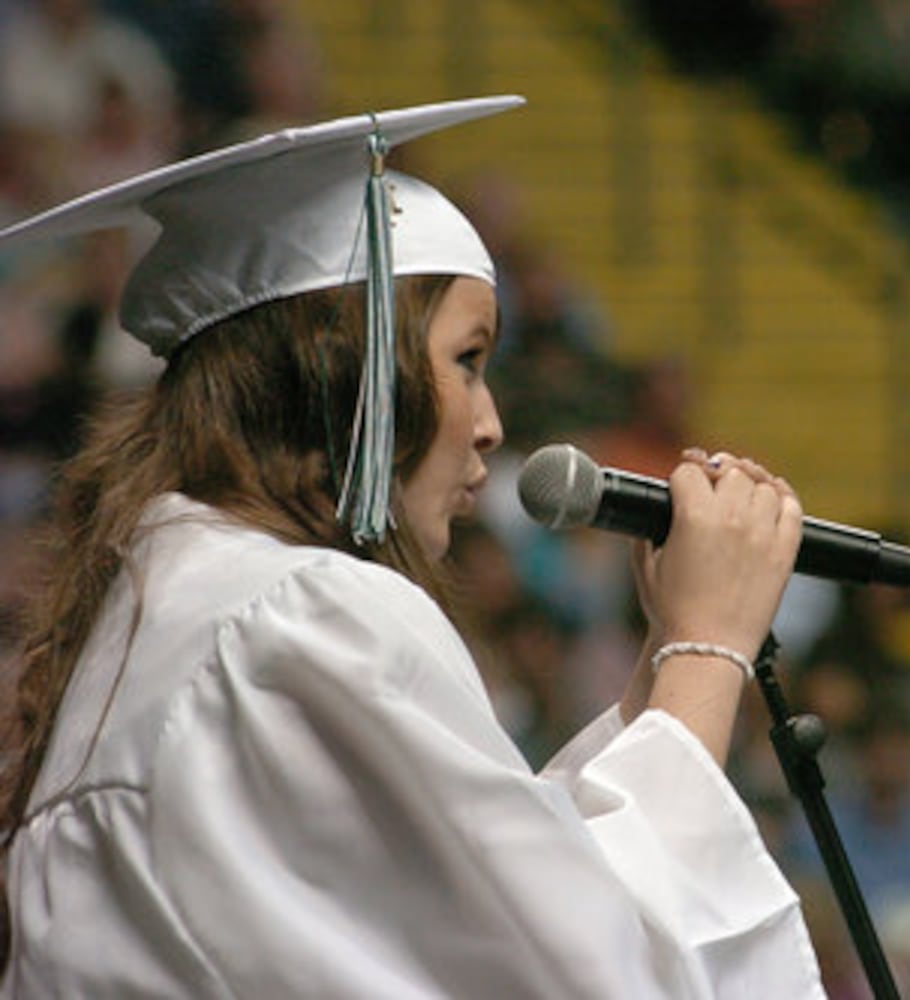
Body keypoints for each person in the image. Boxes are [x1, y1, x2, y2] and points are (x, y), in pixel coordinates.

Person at [0, 97, 825, 997]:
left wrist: (667, 658)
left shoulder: (180, 609)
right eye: (467, 360)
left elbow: (498, 894)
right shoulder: (298, 614)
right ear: (349, 368)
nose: (490, 425)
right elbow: (591, 970)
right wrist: (711, 651)